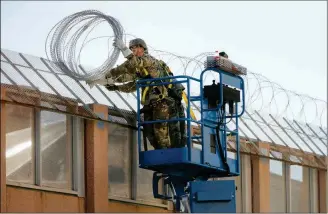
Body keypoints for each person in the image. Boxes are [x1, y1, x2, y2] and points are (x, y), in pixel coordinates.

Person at [87, 38, 186, 149]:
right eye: (131, 48)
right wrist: (109, 83)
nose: (132, 50)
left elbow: (136, 62)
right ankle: (162, 154)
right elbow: (130, 83)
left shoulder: (149, 60)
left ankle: (169, 154)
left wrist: (124, 49)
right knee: (150, 133)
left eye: (135, 47)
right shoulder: (138, 69)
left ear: (142, 48)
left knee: (161, 132)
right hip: (150, 105)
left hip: (162, 103)